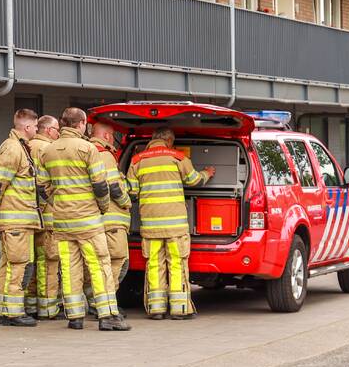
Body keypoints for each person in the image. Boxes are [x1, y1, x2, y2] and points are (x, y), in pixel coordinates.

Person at [36, 108, 131, 331]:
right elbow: (100, 184)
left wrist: (57, 204)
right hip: (88, 221)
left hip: (63, 222)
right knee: (99, 266)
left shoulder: (48, 151)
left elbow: (42, 187)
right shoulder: (88, 148)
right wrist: (103, 207)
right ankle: (107, 316)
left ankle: (75, 317)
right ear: (80, 124)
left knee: (70, 269)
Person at [125, 127, 215, 320]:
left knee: (154, 264)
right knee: (176, 264)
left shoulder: (136, 160)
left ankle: (156, 309)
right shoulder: (178, 157)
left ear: (152, 139)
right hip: (175, 226)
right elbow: (194, 180)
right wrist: (207, 173)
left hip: (150, 226)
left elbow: (131, 191)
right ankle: (180, 309)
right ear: (169, 141)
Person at [0, 108, 41, 327]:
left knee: (10, 267)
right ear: (27, 127)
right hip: (16, 221)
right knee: (19, 266)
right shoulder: (13, 148)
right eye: (35, 126)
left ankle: (6, 311)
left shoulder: (20, 148)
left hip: (18, 219)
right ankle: (14, 313)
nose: (37, 129)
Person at [87, 121, 132, 316]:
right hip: (112, 220)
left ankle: (95, 301)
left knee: (97, 264)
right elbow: (114, 187)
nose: (115, 140)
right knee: (118, 261)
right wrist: (127, 201)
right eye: (114, 136)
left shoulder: (87, 151)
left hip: (94, 220)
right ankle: (105, 304)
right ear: (107, 136)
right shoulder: (105, 155)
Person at [26, 114, 61, 319]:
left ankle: (30, 305)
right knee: (48, 262)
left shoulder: (27, 146)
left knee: (33, 261)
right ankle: (48, 309)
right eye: (57, 130)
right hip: (47, 218)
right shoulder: (47, 150)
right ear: (48, 130)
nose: (59, 133)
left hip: (30, 216)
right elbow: (48, 185)